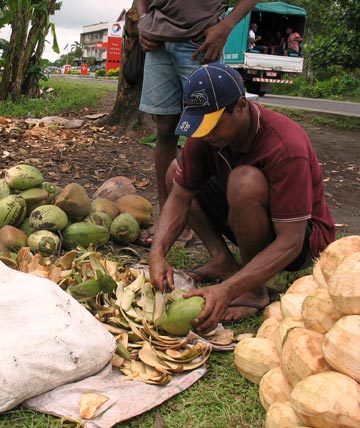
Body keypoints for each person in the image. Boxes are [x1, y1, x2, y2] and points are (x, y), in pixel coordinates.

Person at [148, 63, 335, 334]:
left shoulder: (285, 145)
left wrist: (230, 289)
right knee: (176, 173)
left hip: (301, 241)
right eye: (200, 126)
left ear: (240, 106)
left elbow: (291, 242)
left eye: (212, 125)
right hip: (248, 213)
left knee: (243, 182)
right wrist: (157, 252)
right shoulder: (206, 136)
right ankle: (222, 259)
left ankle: (255, 290)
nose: (205, 135)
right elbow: (179, 198)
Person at [135, 0, 259, 246]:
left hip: (200, 41)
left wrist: (226, 26)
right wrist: (142, 21)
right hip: (157, 43)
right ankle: (169, 221)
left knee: (212, 127)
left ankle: (226, 221)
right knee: (165, 129)